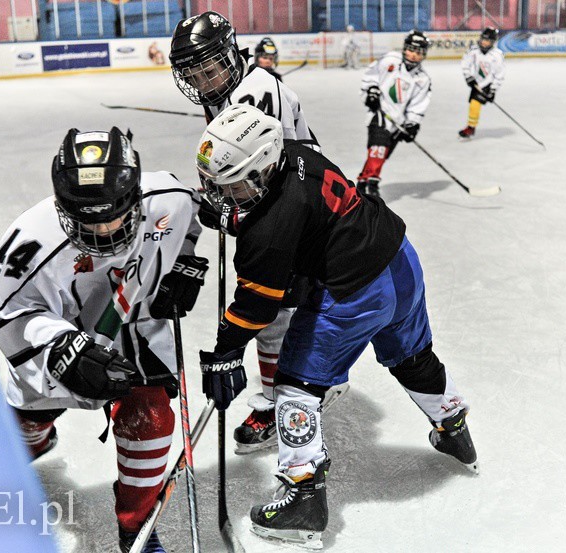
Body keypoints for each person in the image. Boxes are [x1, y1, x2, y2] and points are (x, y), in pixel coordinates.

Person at [195, 104, 478, 549]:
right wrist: (234, 214)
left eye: (231, 186)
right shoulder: (296, 151)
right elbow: (300, 217)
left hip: (354, 293)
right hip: (399, 260)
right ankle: (454, 428)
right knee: (413, 357)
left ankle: (303, 499)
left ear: (262, 168)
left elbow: (256, 305)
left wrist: (224, 352)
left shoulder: (267, 227)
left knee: (294, 386)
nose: (223, 194)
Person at [0, 128, 207, 553]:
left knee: (151, 418)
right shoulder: (31, 242)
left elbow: (190, 220)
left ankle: (137, 526)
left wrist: (184, 264)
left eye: (115, 212)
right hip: (62, 330)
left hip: (137, 320)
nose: (104, 229)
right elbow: (8, 313)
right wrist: (60, 351)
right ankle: (35, 432)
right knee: (30, 419)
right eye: (87, 217)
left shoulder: (169, 196)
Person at [169, 11, 347, 455]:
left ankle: (281, 401)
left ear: (231, 55)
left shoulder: (257, 91)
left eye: (209, 69)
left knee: (274, 314)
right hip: (277, 203)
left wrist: (228, 209)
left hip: (295, 211)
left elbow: (268, 170)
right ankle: (297, 385)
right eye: (193, 74)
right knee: (279, 315)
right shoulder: (229, 90)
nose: (204, 81)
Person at [356, 30, 432, 198]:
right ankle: (371, 183)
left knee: (382, 154)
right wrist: (371, 91)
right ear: (404, 48)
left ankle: (362, 182)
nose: (413, 55)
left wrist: (413, 123)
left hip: (398, 121)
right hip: (380, 115)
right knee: (378, 149)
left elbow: (418, 105)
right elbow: (371, 74)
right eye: (411, 50)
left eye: (419, 52)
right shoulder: (390, 60)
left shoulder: (423, 79)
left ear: (424, 54)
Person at [458, 27, 505, 139]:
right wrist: (469, 78)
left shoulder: (497, 55)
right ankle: (471, 127)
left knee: (475, 104)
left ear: (492, 42)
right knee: (474, 104)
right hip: (476, 82)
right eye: (483, 39)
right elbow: (465, 64)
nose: (484, 42)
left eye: (487, 40)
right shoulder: (473, 51)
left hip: (487, 84)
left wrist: (493, 90)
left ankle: (471, 127)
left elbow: (499, 74)